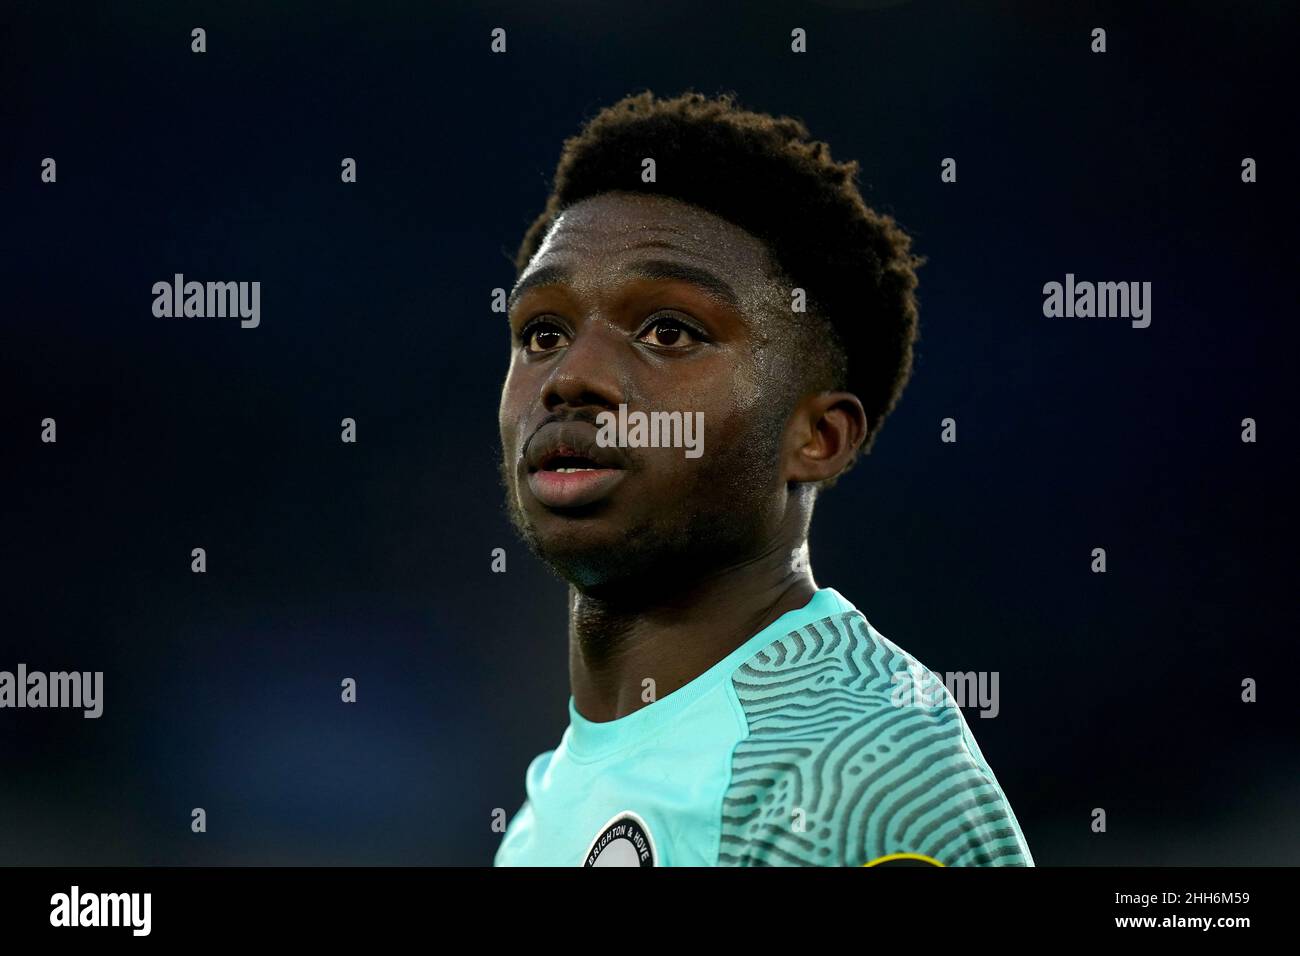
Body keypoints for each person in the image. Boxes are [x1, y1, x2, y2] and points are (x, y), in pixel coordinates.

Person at [494, 89, 1033, 866]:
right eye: (542, 333)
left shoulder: (853, 778)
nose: (571, 378)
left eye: (668, 330)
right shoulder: (544, 817)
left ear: (816, 437)